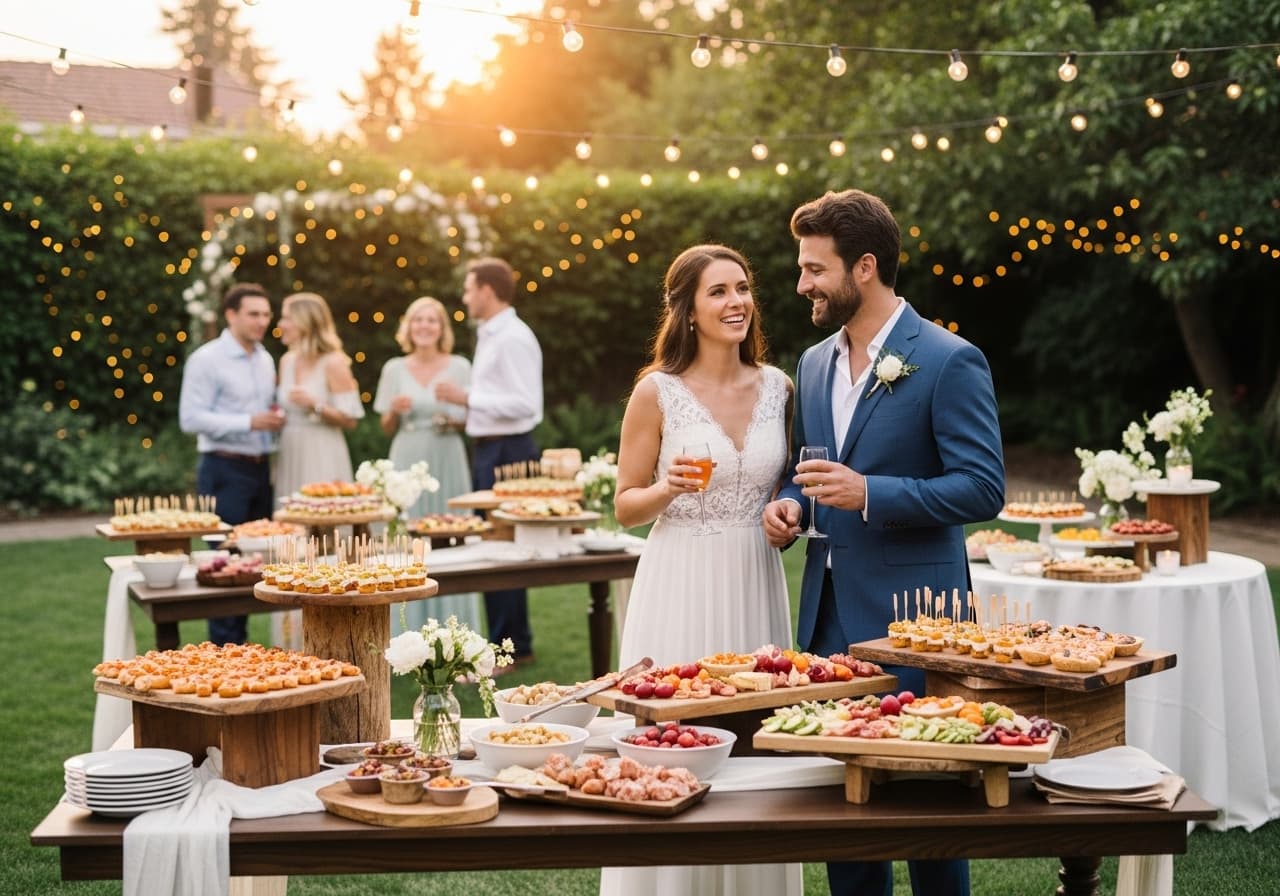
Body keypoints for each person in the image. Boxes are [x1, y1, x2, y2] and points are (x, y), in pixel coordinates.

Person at [763, 189, 1005, 896]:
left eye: (814, 269)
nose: (802, 283)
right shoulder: (811, 364)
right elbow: (799, 470)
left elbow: (984, 487)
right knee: (850, 805)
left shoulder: (949, 359)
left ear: (863, 267)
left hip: (917, 616)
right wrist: (785, 506)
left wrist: (871, 493)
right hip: (827, 610)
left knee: (928, 799)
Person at [600, 244, 799, 896]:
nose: (736, 302)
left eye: (742, 288)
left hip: (754, 578)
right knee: (675, 742)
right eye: (718, 291)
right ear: (687, 309)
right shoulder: (656, 393)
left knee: (755, 741)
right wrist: (668, 490)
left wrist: (784, 513)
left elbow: (789, 485)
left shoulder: (779, 389)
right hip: (679, 579)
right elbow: (626, 507)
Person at [435, 258, 542, 664]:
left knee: (502, 549)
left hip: (508, 452)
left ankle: (508, 649)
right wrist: (465, 416)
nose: (464, 296)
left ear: (486, 290)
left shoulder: (512, 337)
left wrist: (467, 398)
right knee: (492, 546)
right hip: (491, 447)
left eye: (468, 288)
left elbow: (525, 403)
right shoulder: (491, 334)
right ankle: (511, 644)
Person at [178, 282, 285, 645]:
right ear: (231, 315)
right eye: (253, 314)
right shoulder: (206, 359)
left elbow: (262, 411)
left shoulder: (266, 358)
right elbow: (190, 419)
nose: (262, 321)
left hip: (260, 470)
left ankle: (250, 655)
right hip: (223, 470)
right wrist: (248, 422)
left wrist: (273, 419)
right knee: (225, 564)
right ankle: (225, 653)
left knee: (260, 561)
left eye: (266, 314)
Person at [373, 295, 482, 633]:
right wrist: (394, 410)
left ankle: (455, 630)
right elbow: (385, 426)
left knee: (452, 533)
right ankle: (405, 630)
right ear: (408, 326)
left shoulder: (461, 366)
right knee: (406, 535)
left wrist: (454, 415)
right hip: (407, 455)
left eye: (431, 320)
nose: (424, 326)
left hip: (447, 455)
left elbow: (475, 418)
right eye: (418, 319)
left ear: (441, 328)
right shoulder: (394, 368)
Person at [271, 292, 365, 648]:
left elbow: (353, 417)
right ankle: (292, 636)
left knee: (328, 537)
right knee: (292, 537)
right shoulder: (286, 361)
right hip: (291, 449)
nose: (281, 324)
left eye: (286, 317)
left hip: (323, 451)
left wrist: (317, 404)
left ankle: (335, 631)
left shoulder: (334, 362)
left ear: (306, 321)